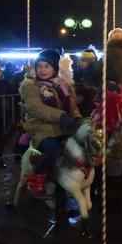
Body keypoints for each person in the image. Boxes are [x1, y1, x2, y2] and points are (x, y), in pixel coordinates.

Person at [19, 49, 80, 197]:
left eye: (47, 66)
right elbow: (36, 108)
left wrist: (77, 118)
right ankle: (38, 178)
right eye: (39, 66)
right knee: (53, 150)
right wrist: (61, 116)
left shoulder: (62, 85)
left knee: (82, 146)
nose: (42, 69)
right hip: (42, 128)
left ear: (54, 68)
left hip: (63, 127)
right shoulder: (31, 86)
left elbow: (72, 105)